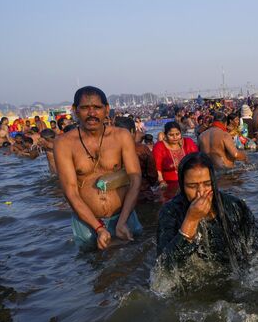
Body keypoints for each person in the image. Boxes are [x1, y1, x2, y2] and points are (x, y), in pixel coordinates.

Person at [54, 86, 142, 251]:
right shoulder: (64, 143)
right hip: (87, 222)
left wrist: (122, 221)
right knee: (94, 269)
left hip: (124, 215)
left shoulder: (121, 136)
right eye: (85, 108)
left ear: (106, 109)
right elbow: (70, 191)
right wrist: (98, 228)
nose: (92, 113)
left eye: (97, 107)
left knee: (134, 263)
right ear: (75, 110)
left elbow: (135, 178)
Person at [157, 152, 258, 270]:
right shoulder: (170, 212)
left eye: (207, 184)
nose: (201, 193)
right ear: (182, 186)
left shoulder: (234, 206)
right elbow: (164, 267)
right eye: (192, 186)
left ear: (214, 182)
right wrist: (191, 220)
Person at [115, 117, 158, 202]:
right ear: (132, 131)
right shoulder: (142, 149)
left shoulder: (109, 150)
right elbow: (153, 175)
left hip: (119, 196)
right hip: (142, 193)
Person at [153, 121, 198, 190]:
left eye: (177, 134)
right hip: (169, 185)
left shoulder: (188, 143)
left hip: (189, 182)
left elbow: (197, 162)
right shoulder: (159, 146)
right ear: (165, 135)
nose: (175, 137)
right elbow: (157, 169)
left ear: (181, 133)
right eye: (171, 135)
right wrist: (161, 182)